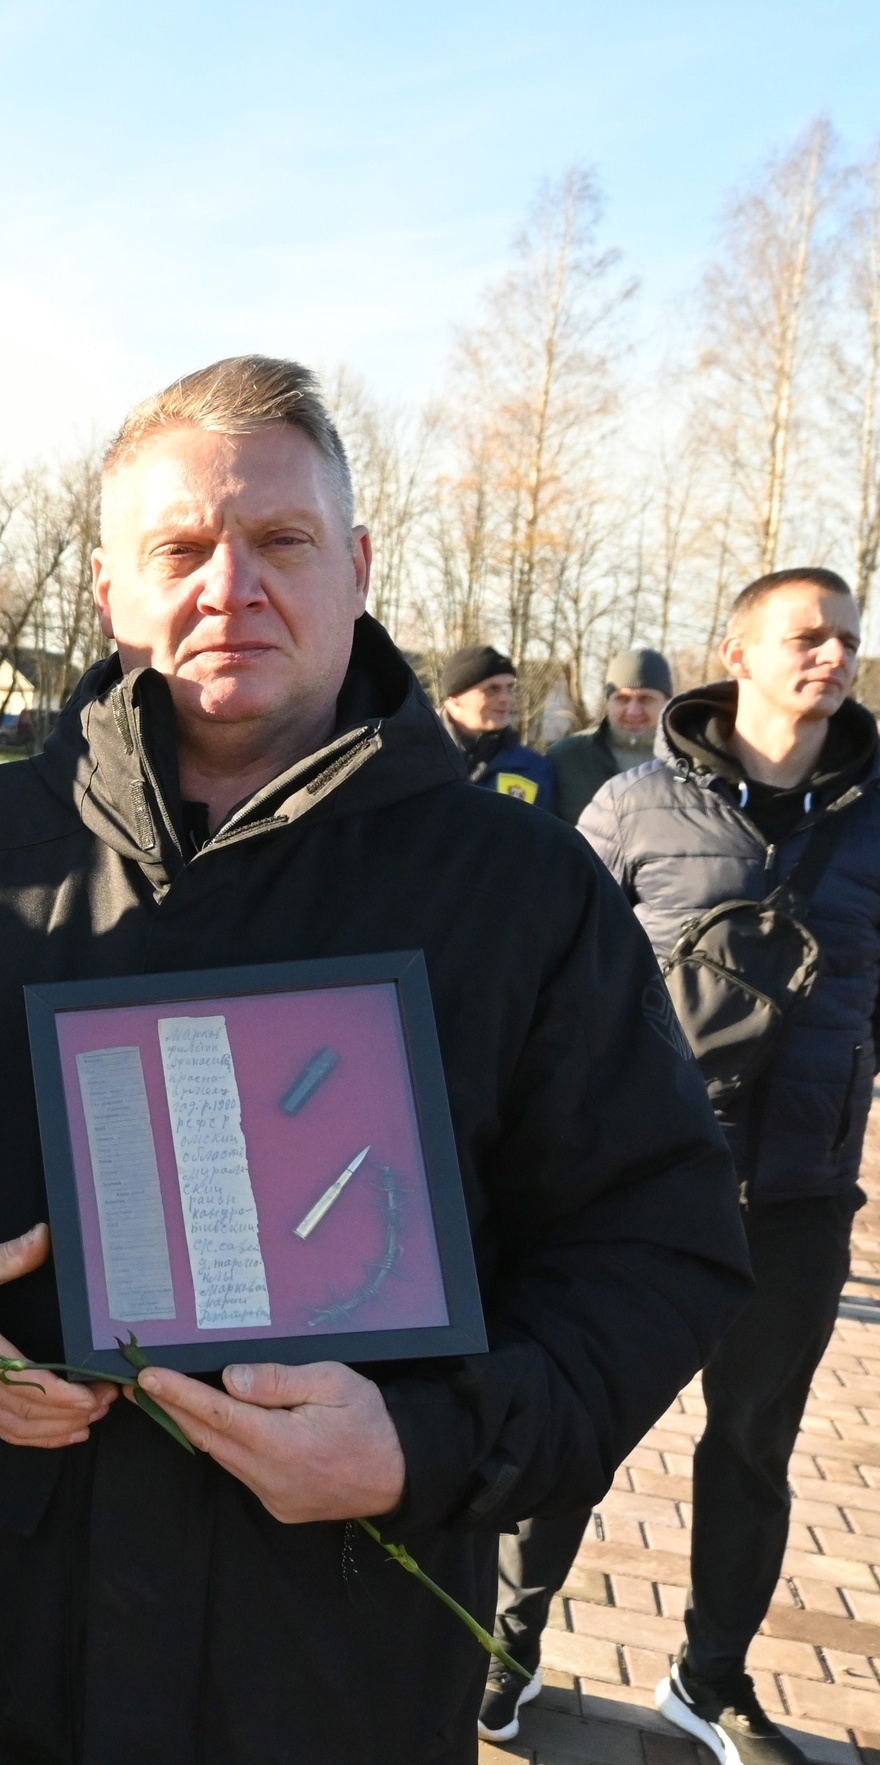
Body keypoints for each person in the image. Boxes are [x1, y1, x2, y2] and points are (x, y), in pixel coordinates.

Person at [0, 355, 748, 1764]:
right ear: (110, 589)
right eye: (181, 549)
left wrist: (425, 1448)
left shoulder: (518, 891)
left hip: (333, 1680)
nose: (232, 586)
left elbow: (661, 1245)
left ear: (358, 566)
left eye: (281, 542)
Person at [533, 568, 876, 1764]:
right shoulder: (634, 806)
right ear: (736, 650)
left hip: (798, 1199)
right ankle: (499, 1658)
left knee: (751, 1452)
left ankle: (708, 1681)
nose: (829, 654)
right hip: (639, 1191)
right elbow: (550, 976)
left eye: (844, 636)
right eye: (804, 634)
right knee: (574, 1426)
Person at [548, 647, 675, 824]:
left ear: (667, 702)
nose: (633, 711)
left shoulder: (687, 760)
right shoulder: (566, 758)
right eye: (622, 699)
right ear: (608, 701)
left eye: (645, 699)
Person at [438, 641, 561, 812]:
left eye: (510, 688)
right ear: (456, 699)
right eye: (492, 690)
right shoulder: (416, 757)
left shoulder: (533, 770)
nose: (506, 699)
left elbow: (542, 836)